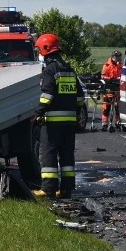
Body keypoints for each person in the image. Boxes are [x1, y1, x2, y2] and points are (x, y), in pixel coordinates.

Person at [33, 33, 85, 198]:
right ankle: (66, 189)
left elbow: (47, 95)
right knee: (67, 155)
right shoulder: (69, 69)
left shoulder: (50, 70)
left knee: (48, 154)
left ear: (45, 49)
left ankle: (48, 188)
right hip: (69, 122)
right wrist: (75, 113)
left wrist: (38, 112)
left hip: (53, 123)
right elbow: (80, 97)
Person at [100, 50, 123, 131]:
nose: (119, 59)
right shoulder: (106, 66)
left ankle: (118, 122)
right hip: (109, 89)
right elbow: (103, 76)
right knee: (107, 107)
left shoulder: (120, 66)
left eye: (119, 57)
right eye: (117, 57)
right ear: (113, 57)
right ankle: (105, 123)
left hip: (118, 89)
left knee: (118, 107)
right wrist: (110, 79)